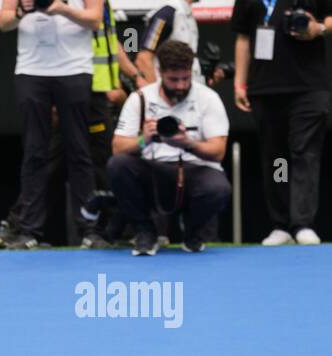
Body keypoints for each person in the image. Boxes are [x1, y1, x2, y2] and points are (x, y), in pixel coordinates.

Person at [0, 0, 138, 247]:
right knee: (35, 152)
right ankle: (28, 231)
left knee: (80, 151)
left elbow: (95, 19)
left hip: (74, 70)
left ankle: (89, 230)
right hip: (31, 70)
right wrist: (22, 10)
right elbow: (3, 23)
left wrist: (61, 8)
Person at [108, 40, 231, 255]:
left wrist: (188, 143)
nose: (180, 86)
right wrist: (143, 139)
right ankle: (145, 232)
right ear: (160, 72)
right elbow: (117, 148)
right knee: (118, 165)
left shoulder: (209, 98)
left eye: (185, 79)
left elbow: (218, 151)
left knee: (218, 188)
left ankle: (193, 232)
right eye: (173, 80)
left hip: (195, 169)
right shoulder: (141, 98)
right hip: (153, 168)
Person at [232, 0, 332, 245]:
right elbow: (244, 38)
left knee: (304, 152)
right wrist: (239, 82)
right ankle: (281, 224)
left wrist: (318, 29)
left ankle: (302, 224)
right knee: (276, 158)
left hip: (308, 87)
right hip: (265, 87)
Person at [138, 0, 204, 85]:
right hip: (168, 92)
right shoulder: (166, 13)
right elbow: (143, 58)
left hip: (188, 92)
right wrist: (156, 94)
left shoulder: (186, 14)